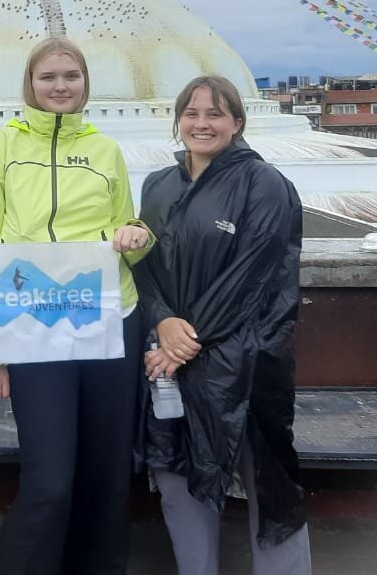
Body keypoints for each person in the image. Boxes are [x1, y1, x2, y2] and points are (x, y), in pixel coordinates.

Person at [0, 37, 152, 575]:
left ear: (85, 83)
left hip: (108, 319)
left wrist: (138, 236)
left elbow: (129, 226)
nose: (60, 86)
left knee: (108, 469)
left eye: (71, 76)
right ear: (30, 83)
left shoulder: (104, 150)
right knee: (49, 478)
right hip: (34, 328)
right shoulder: (2, 146)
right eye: (49, 77)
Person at [133, 75, 311, 575]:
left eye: (215, 114)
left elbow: (251, 276)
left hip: (246, 358)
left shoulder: (264, 184)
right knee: (175, 471)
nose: (202, 124)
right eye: (191, 113)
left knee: (267, 480)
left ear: (237, 122)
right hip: (171, 356)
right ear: (178, 121)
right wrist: (163, 321)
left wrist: (180, 343)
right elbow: (144, 268)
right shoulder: (158, 186)